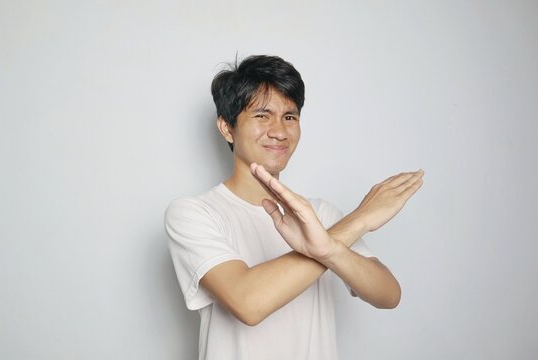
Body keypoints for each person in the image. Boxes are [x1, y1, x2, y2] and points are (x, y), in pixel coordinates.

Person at [165, 55, 424, 360]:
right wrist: (357, 222)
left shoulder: (322, 214)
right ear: (226, 128)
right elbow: (248, 303)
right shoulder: (193, 213)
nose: (279, 131)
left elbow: (388, 295)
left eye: (290, 116)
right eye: (262, 115)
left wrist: (330, 245)